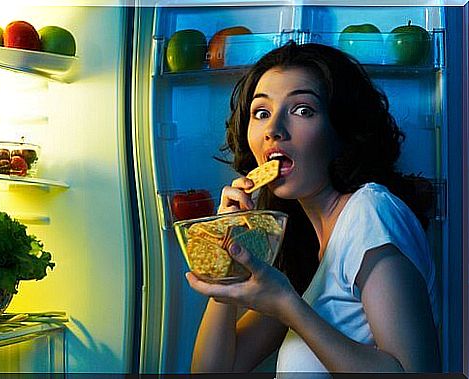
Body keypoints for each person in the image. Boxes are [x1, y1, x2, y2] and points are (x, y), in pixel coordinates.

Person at [185, 41, 441, 375]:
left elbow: (416, 371)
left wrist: (287, 307)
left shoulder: (372, 213)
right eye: (261, 113)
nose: (273, 130)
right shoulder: (302, 245)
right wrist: (225, 257)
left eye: (303, 109)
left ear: (342, 130)